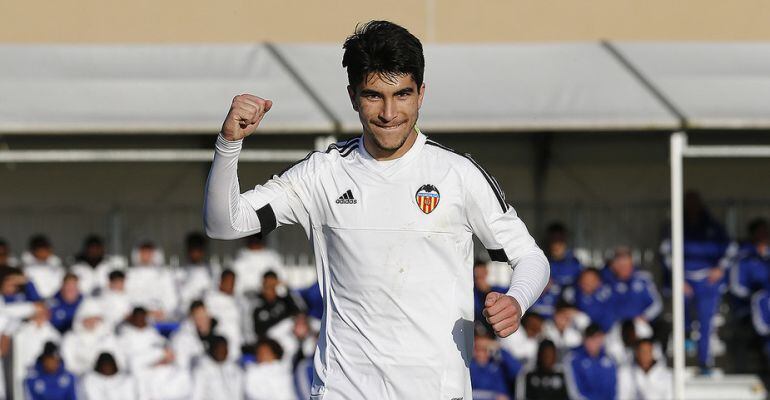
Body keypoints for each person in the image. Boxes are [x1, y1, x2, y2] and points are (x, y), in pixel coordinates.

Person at [203, 20, 549, 398]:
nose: (388, 112)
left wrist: (516, 300)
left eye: (402, 95)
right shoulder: (321, 174)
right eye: (373, 96)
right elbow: (225, 223)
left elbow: (530, 258)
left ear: (421, 94)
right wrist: (228, 143)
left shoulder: (457, 174)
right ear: (352, 96)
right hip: (343, 390)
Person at [660, 191, 730, 372]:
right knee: (680, 315)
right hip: (684, 279)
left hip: (707, 279)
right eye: (688, 203)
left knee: (706, 320)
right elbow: (666, 252)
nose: (692, 207)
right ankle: (684, 347)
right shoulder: (676, 225)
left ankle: (703, 361)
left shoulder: (712, 225)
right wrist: (678, 278)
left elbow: (729, 249)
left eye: (695, 203)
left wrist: (719, 268)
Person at [61, 300, 122, 376]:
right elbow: (68, 363)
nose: (91, 322)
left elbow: (118, 360)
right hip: (79, 376)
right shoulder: (70, 338)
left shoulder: (108, 338)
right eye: (88, 318)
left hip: (104, 376)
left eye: (94, 318)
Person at [125, 241, 179, 321]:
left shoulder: (165, 275)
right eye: (143, 252)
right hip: (137, 320)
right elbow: (127, 299)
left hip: (161, 319)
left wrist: (164, 312)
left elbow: (171, 299)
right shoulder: (130, 275)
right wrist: (144, 313)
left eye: (149, 252)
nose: (146, 255)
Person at [563, 324, 617, 400]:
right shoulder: (574, 359)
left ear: (601, 338)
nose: (592, 342)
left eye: (596, 338)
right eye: (589, 338)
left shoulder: (610, 361)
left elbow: (615, 390)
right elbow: (575, 392)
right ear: (584, 339)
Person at [470, 325, 521, 400]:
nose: (480, 352)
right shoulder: (468, 366)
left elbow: (518, 372)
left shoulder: (499, 363)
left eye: (484, 348)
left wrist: (499, 349)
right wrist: (493, 396)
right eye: (477, 348)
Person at [563, 268, 617, 332]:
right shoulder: (572, 292)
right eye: (584, 279)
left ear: (599, 282)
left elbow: (607, 322)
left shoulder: (606, 296)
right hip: (576, 331)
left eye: (591, 280)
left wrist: (579, 314)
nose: (587, 283)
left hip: (600, 333)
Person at [252, 271, 301, 342]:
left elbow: (299, 312)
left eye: (272, 285)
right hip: (267, 344)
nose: (269, 289)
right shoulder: (257, 303)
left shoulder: (284, 301)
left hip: (288, 340)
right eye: (267, 286)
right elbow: (258, 330)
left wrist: (286, 291)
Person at [191, 335, 244, 400]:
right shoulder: (202, 370)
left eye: (224, 349)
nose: (221, 352)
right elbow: (197, 395)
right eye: (218, 349)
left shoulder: (235, 370)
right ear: (212, 350)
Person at [176, 232, 215, 313]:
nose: (195, 254)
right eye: (193, 250)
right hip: (185, 315)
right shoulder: (179, 273)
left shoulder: (212, 272)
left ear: (203, 251)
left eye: (198, 250)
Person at [21, 235, 64, 299]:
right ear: (34, 251)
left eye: (47, 249)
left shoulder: (58, 266)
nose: (44, 253)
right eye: (41, 250)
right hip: (34, 301)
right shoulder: (26, 268)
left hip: (55, 300)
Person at [544, 223, 583, 287]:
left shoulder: (576, 263)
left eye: (560, 240)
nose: (557, 245)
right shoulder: (543, 263)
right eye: (554, 240)